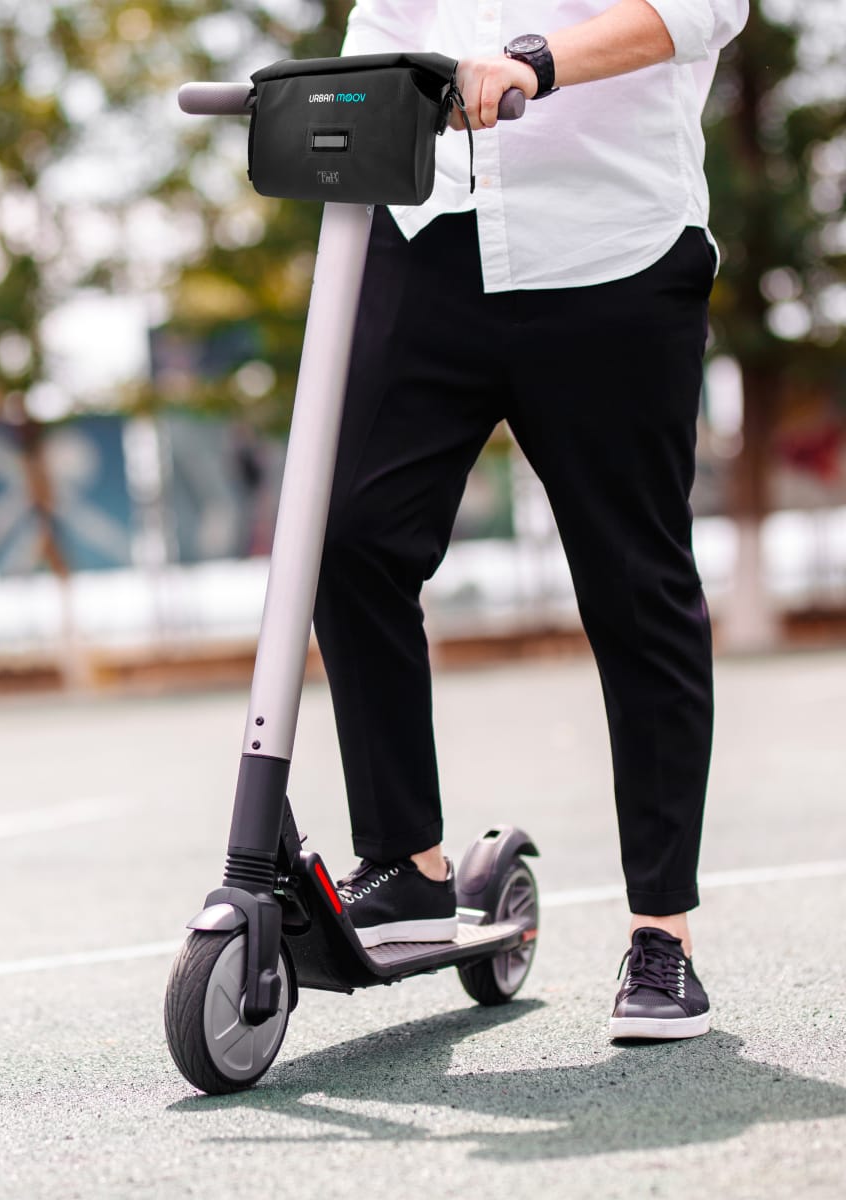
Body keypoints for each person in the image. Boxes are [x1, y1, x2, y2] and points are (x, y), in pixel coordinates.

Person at [316, 0, 748, 1039]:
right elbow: (384, 23)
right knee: (345, 543)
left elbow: (704, 7)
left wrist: (536, 64)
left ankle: (662, 934)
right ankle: (409, 863)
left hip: (612, 251)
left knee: (636, 585)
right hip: (432, 241)